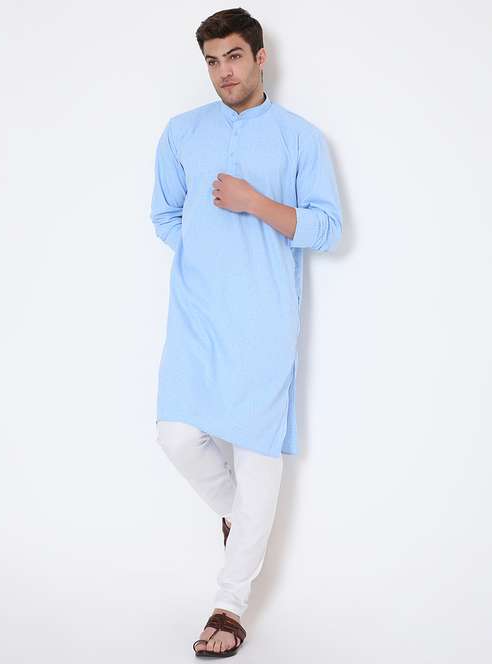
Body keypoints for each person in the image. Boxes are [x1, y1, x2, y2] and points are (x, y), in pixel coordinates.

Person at [149, 7, 343, 657]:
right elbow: (165, 215)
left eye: (233, 56)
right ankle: (243, 517)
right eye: (212, 61)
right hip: (197, 314)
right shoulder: (181, 133)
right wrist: (209, 257)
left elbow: (326, 228)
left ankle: (229, 607)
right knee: (176, 434)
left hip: (265, 317)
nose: (223, 72)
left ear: (261, 57)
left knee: (259, 453)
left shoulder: (299, 139)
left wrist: (253, 202)